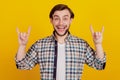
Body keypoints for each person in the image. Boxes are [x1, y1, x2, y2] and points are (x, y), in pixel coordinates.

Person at [15, 4, 106, 80]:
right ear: (51, 20)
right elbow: (22, 65)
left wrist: (98, 44)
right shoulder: (40, 44)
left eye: (65, 18)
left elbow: (99, 65)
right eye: (57, 18)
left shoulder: (82, 45)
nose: (61, 23)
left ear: (71, 20)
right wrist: (22, 45)